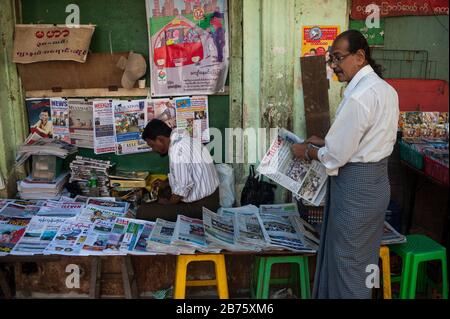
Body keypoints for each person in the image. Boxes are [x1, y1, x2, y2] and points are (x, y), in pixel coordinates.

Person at [291, 30, 399, 299]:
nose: (334, 65)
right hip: (375, 184)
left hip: (355, 189)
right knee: (360, 260)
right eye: (331, 59)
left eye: (338, 58)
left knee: (347, 263)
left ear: (360, 57)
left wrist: (308, 151)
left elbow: (336, 156)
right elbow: (364, 139)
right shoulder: (386, 90)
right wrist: (326, 141)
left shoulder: (358, 97)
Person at [137, 119, 220, 221]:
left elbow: (182, 189)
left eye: (152, 145)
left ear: (160, 139)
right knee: (162, 191)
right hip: (211, 196)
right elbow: (187, 174)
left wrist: (168, 205)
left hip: (202, 207)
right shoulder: (182, 138)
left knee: (143, 211)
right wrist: (166, 184)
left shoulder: (177, 151)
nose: (153, 150)